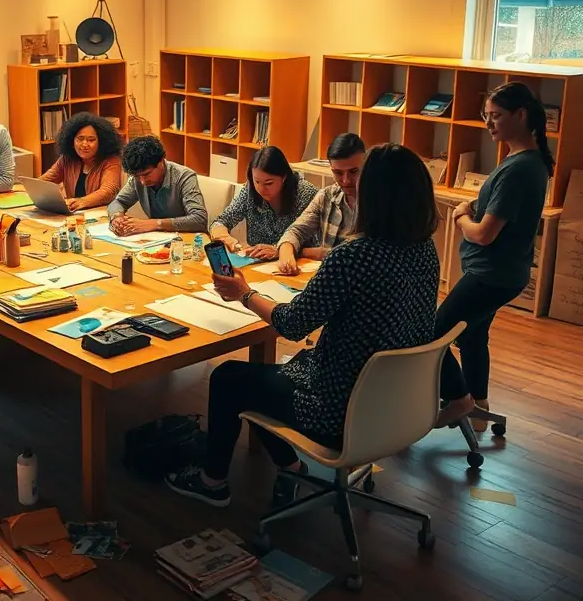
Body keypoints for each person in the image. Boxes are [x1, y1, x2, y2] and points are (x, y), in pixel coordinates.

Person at [165, 144, 439, 508]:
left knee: (230, 377)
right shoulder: (425, 250)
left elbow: (292, 324)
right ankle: (291, 465)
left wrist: (244, 293)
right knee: (271, 375)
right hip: (395, 403)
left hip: (336, 409)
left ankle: (212, 481)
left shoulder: (353, 256)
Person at [434, 82, 554, 429]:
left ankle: (459, 401)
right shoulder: (528, 162)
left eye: (496, 116)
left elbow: (484, 234)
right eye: (486, 116)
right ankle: (479, 408)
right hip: (506, 274)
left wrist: (460, 216)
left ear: (521, 115)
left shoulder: (519, 168)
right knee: (471, 336)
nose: (489, 124)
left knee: (433, 333)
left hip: (490, 275)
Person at [276, 132, 365, 275]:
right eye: (338, 173)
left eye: (353, 171)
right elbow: (296, 230)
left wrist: (308, 252)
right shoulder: (327, 196)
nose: (346, 180)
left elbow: (357, 258)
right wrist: (286, 255)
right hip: (326, 280)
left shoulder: (378, 203)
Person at [210, 146, 319, 259]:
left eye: (268, 183)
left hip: (299, 264)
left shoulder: (305, 194)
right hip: (259, 263)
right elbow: (220, 222)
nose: (261, 189)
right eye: (257, 181)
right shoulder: (251, 190)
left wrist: (280, 250)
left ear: (284, 177)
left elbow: (321, 249)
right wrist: (232, 243)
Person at [107, 135, 208, 235]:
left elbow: (200, 219)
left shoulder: (184, 177)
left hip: (187, 240)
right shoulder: (137, 178)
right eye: (137, 176)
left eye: (146, 174)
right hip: (158, 239)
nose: (142, 181)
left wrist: (156, 224)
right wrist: (117, 217)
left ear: (160, 163)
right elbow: (118, 202)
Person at [39, 112, 122, 210]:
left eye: (91, 140)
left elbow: (108, 191)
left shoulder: (111, 161)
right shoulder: (67, 158)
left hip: (100, 216)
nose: (84, 144)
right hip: (73, 215)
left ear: (102, 142)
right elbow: (44, 181)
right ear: (72, 140)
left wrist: (81, 202)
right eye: (80, 139)